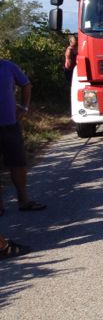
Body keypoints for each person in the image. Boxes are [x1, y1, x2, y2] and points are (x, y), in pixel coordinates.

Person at [0, 58, 46, 214]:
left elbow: (26, 84)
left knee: (18, 163)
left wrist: (25, 108)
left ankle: (24, 201)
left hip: (10, 125)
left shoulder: (8, 66)